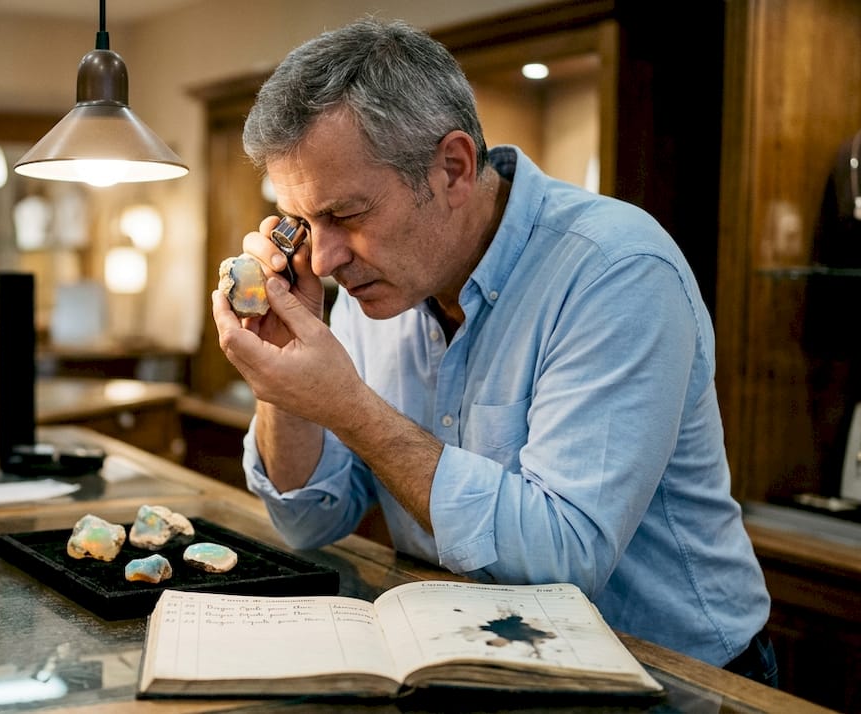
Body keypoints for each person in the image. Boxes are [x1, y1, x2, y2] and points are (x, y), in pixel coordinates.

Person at [212, 19, 776, 686]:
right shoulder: (374, 283)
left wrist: (351, 409)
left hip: (676, 680)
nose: (326, 260)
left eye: (347, 215)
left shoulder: (617, 270)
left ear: (453, 167)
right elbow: (309, 519)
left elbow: (561, 559)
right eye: (306, 224)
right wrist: (283, 387)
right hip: (470, 661)